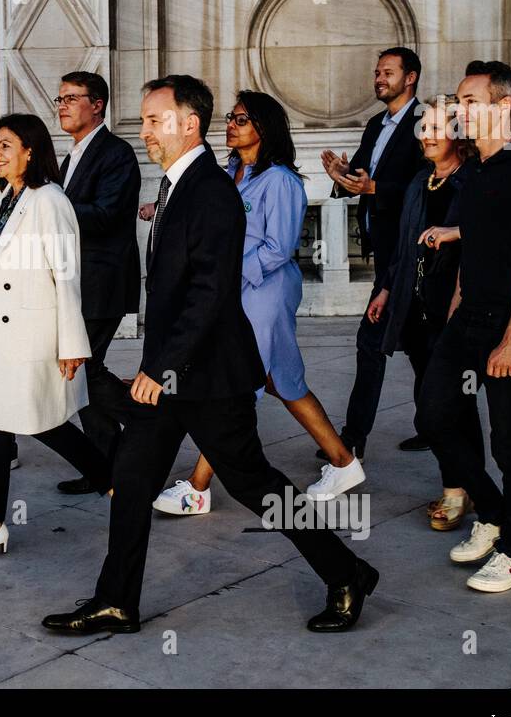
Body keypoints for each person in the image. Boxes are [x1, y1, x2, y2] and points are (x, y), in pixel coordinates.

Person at [41, 75, 378, 635]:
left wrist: (161, 369)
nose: (144, 130)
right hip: (175, 377)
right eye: (145, 119)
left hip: (210, 376)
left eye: (154, 119)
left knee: (255, 484)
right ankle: (116, 601)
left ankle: (346, 573)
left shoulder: (211, 193)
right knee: (131, 478)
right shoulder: (185, 184)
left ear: (187, 123)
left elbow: (209, 293)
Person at [150, 90, 363, 516]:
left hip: (264, 291)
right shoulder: (229, 172)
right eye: (231, 116)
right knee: (281, 378)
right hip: (237, 290)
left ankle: (198, 486)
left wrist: (225, 271)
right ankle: (343, 461)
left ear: (263, 128)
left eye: (241, 119)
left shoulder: (281, 181)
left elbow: (278, 249)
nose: (230, 124)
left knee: (236, 383)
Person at [414, 60, 511, 593]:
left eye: (470, 101)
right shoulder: (474, 172)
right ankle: (493, 513)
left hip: (510, 322)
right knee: (432, 416)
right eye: (457, 102)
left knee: (508, 440)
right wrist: (455, 314)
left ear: (504, 106)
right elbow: (474, 249)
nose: (459, 112)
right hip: (467, 318)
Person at [0, 113, 112, 564]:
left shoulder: (49, 200)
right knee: (8, 422)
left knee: (36, 422)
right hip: (0, 336)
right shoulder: (2, 196)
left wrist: (72, 343)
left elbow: (67, 274)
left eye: (4, 145)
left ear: (30, 151)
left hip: (34, 333)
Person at [368, 96, 481, 530]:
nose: (427, 136)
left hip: (454, 309)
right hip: (415, 309)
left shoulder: (471, 180)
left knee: (452, 405)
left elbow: (494, 239)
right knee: (429, 397)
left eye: (437, 127)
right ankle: (462, 484)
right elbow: (403, 245)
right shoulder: (421, 182)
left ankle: (461, 489)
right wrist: (383, 291)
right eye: (424, 128)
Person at [320, 48, 430, 460]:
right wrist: (341, 177)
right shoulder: (374, 124)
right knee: (418, 348)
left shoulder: (426, 124)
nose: (379, 78)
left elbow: (429, 188)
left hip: (411, 255)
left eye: (388, 72)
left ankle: (351, 440)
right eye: (377, 72)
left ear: (411, 77)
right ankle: (433, 424)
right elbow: (362, 175)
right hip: (384, 252)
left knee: (372, 344)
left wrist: (375, 189)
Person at [50, 71, 141, 495]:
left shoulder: (115, 153)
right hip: (76, 282)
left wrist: (51, 209)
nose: (62, 105)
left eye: (72, 98)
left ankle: (151, 423)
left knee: (82, 369)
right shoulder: (72, 156)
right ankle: (109, 466)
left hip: (101, 283)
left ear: (98, 104)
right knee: (81, 372)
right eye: (60, 99)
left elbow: (105, 215)